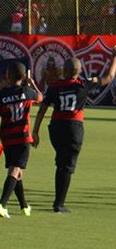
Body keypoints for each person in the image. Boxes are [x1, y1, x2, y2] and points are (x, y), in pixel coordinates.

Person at [32, 58, 108, 212]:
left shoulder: (54, 86)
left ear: (63, 71)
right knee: (66, 167)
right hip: (73, 129)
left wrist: (35, 131)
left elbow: (42, 110)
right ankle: (59, 204)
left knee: (61, 163)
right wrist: (114, 58)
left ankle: (58, 201)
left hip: (56, 128)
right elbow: (109, 78)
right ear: (79, 71)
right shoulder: (83, 83)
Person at [0, 62, 42, 218]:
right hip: (22, 137)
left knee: (17, 172)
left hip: (6, 138)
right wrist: (32, 84)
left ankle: (24, 206)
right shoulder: (28, 92)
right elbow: (41, 97)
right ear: (24, 77)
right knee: (15, 170)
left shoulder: (2, 95)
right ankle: (2, 205)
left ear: (7, 76)